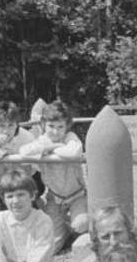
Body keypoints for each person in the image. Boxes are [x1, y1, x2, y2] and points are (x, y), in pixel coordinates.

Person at [19, 100, 89, 251]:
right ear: (44, 124)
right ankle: (64, 229)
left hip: (77, 195)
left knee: (81, 224)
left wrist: (50, 150)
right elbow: (24, 152)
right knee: (53, 245)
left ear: (67, 126)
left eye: (60, 127)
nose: (55, 132)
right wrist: (52, 146)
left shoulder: (70, 137)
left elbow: (73, 151)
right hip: (55, 197)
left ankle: (76, 224)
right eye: (51, 126)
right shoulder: (43, 140)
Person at [0, 101, 38, 184]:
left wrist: (11, 155)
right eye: (1, 126)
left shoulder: (27, 137)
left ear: (17, 124)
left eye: (10, 125)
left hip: (24, 181)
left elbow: (27, 174)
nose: (6, 131)